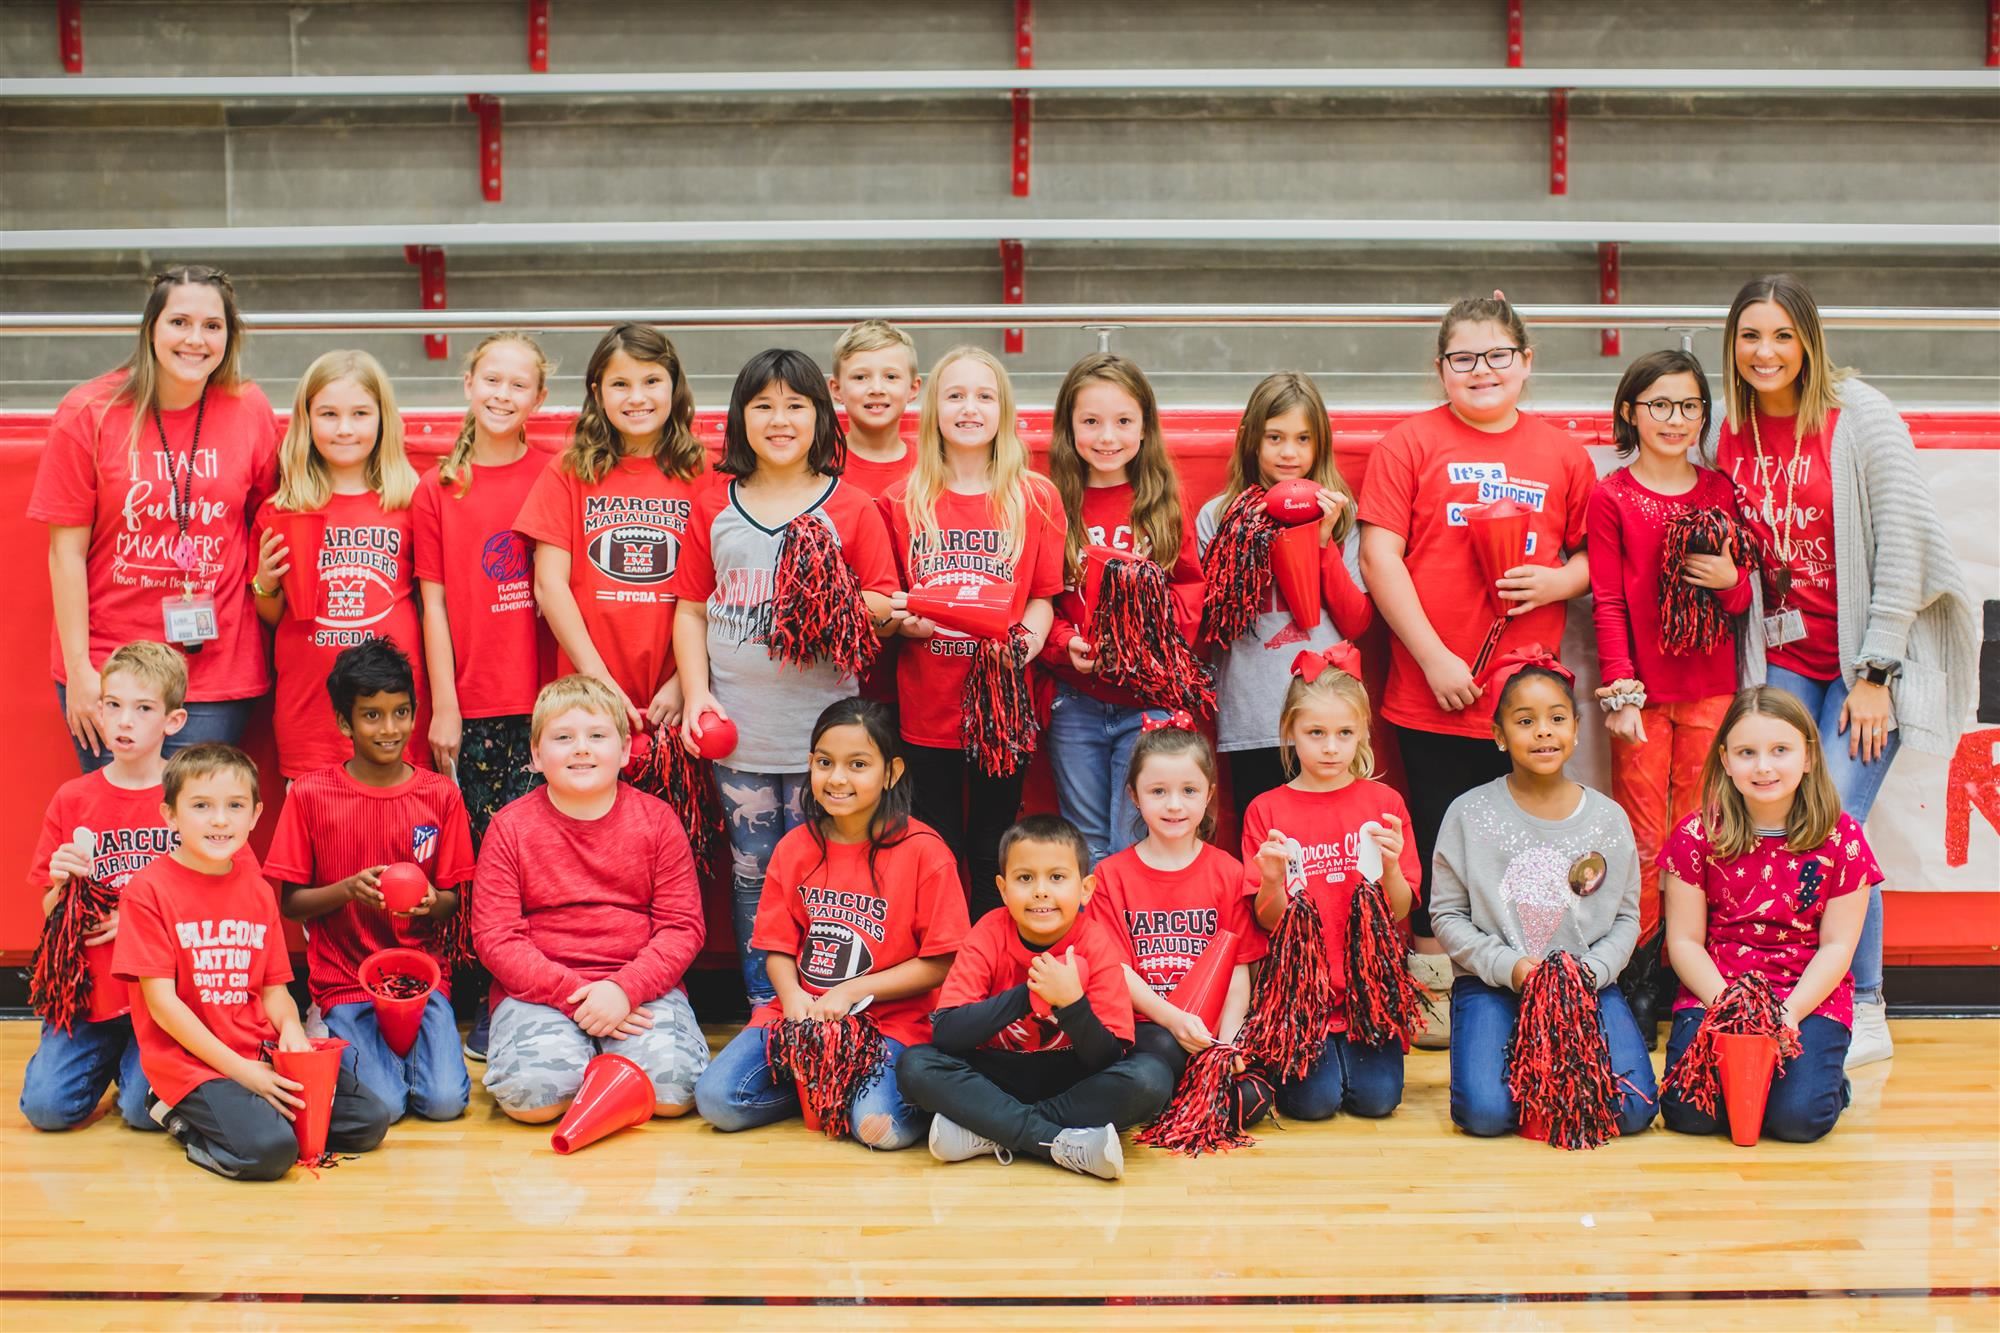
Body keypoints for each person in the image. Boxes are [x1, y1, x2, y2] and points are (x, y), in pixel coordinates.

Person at [1712, 274, 1978, 1068]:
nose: (1766, 352)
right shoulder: (1728, 427)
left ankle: (1865, 1002)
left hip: (1866, 660)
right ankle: (1792, 989)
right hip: (1784, 657)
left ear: (1810, 341)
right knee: (1779, 817)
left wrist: (1876, 672)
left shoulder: (1860, 414)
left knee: (1832, 824)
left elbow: (1903, 547)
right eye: (1751, 335)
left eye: (1783, 336)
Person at [1358, 296, 1597, 1047]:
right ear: (1440, 369)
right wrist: (1433, 656)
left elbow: (1598, 555)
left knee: (1525, 843)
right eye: (1464, 357)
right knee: (1438, 843)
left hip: (1526, 701)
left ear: (1527, 362)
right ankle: (1436, 985)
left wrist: (1559, 582)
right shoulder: (1409, 443)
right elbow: (1378, 555)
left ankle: (1526, 979)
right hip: (1431, 689)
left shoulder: (1562, 454)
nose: (1482, 370)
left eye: (1498, 355)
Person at [671, 349, 899, 1004]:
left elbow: (885, 602)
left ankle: (828, 1003)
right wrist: (695, 695)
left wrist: (831, 602)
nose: (779, 418)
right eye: (762, 404)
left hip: (824, 735)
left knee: (823, 874)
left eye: (795, 405)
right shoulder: (713, 502)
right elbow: (690, 610)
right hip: (737, 729)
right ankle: (763, 1009)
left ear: (822, 417)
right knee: (751, 873)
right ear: (739, 419)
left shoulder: (850, 506)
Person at [30, 266, 281, 771]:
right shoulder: (89, 412)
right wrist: (81, 671)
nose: (196, 339)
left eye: (213, 326)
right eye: (180, 322)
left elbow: (264, 521)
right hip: (114, 672)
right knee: (124, 838)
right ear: (151, 329)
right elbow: (66, 552)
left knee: (199, 835)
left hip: (216, 672)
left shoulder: (249, 408)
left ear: (230, 336)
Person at [693, 698, 969, 1149]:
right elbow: (778, 948)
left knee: (879, 1129)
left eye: (857, 764)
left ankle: (893, 1096)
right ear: (810, 765)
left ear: (892, 772)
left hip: (890, 1023)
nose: (837, 778)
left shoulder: (925, 852)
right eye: (825, 763)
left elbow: (940, 962)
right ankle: (829, 1090)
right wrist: (794, 998)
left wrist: (851, 992)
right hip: (800, 1017)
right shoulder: (795, 848)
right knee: (718, 1101)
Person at [114, 743, 392, 1180]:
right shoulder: (147, 892)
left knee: (369, 1122)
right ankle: (175, 1113)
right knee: (271, 1153)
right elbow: (163, 1007)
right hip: (194, 1064)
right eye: (201, 805)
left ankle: (253, 1111)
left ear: (256, 815)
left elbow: (273, 990)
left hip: (259, 1053)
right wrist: (244, 1074)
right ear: (170, 815)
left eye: (235, 806)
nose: (220, 819)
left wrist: (293, 1033)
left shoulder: (258, 889)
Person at [1588, 349, 1751, 1044]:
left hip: (1712, 688)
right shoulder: (1612, 495)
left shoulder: (1719, 490)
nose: (1675, 419)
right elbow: (1608, 600)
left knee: (1699, 833)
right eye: (1659, 404)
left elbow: (1747, 597)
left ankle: (1691, 968)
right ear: (1631, 411)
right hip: (1643, 695)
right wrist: (1622, 690)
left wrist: (1728, 581)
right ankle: (1640, 972)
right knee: (1645, 838)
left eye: (1689, 406)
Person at [1428, 649, 1657, 1140]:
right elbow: (1447, 915)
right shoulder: (1468, 814)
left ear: (1576, 729)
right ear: (1498, 734)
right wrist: (1508, 967)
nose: (1543, 732)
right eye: (1525, 720)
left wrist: (1588, 974)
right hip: (1494, 985)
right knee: (1486, 1115)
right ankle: (1529, 1066)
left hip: (1587, 986)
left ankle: (1555, 1069)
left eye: (1556, 719)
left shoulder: (1608, 819)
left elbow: (1625, 919)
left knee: (1632, 1111)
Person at [471, 675, 710, 1125]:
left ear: (623, 751)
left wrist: (624, 989)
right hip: (541, 991)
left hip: (640, 990)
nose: (581, 748)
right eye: (564, 738)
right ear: (537, 756)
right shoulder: (509, 827)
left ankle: (597, 1058)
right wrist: (575, 997)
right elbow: (495, 937)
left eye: (597, 736)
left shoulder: (657, 821)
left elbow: (682, 927)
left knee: (674, 1095)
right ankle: (582, 1058)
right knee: (533, 1101)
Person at [882, 348, 1064, 917]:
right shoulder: (901, 500)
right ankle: (944, 971)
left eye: (984, 396)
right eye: (955, 395)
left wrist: (1025, 645)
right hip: (927, 709)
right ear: (932, 407)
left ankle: (992, 967)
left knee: (993, 847)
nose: (969, 408)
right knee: (935, 847)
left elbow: (1042, 598)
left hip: (1001, 708)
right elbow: (885, 606)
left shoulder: (1036, 497)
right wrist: (901, 624)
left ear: (1004, 411)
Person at [263, 640, 474, 1123]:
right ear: (344, 723)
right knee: (385, 1106)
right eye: (372, 716)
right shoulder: (311, 795)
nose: (390, 728)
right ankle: (329, 1027)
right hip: (344, 982)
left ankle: (399, 1056)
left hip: (422, 980)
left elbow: (452, 902)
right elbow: (291, 905)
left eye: (401, 712)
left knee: (443, 1104)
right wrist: (347, 889)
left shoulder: (440, 795)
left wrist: (428, 901)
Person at [898, 815, 1173, 1181]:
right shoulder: (988, 932)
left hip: (1070, 1078)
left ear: (1086, 889)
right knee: (915, 1066)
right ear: (1002, 888)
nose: (1041, 891)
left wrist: (1073, 1005)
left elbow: (1106, 1058)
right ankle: (1055, 1141)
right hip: (995, 1073)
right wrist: (1030, 995)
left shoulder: (1095, 942)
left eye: (1057, 878)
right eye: (1025, 878)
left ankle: (987, 1131)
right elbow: (947, 1034)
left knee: (1151, 1078)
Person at [1659, 686, 1877, 1142]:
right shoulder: (1697, 833)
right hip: (1718, 993)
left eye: (1781, 750)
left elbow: (1838, 946)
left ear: (1809, 757)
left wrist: (1790, 1012)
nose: (1763, 766)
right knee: (1691, 1114)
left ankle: (1829, 1080)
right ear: (1724, 759)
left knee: (1796, 1121)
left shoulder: (1842, 837)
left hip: (1805, 996)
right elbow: (1683, 942)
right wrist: (1731, 1008)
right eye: (1746, 752)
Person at [1240, 648, 1420, 1121]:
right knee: (1312, 1105)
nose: (1330, 747)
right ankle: (1320, 1053)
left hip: (1367, 995)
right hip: (1303, 997)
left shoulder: (1385, 803)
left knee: (1378, 1102)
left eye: (1344, 733)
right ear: (1289, 732)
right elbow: (1267, 919)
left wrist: (1393, 866)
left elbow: (1399, 910)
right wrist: (1273, 881)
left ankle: (1350, 1051)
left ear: (1363, 731)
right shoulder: (1267, 809)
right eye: (1315, 733)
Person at [1042, 353, 1205, 864]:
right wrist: (1066, 645)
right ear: (1068, 428)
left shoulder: (1162, 503)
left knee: (1135, 842)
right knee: (1086, 845)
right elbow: (1037, 600)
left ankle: (1140, 946)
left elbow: (1191, 595)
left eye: (1123, 421)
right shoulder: (1049, 503)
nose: (1107, 436)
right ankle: (1096, 945)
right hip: (1077, 701)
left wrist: (1142, 634)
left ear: (1144, 428)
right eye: (1090, 422)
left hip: (1147, 703)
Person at [20, 642, 188, 1131]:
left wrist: (137, 921)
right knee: (47, 1111)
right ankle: (111, 1056)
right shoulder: (73, 798)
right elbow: (51, 911)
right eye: (113, 705)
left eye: (143, 709)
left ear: (172, 722)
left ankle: (134, 1067)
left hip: (163, 999)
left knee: (143, 1114)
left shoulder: (190, 796)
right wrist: (62, 884)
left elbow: (218, 903)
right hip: (91, 997)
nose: (124, 721)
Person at [517, 324, 706, 739]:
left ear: (674, 387)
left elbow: (721, 592)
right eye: (620, 384)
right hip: (587, 695)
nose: (636, 397)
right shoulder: (569, 470)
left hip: (676, 700)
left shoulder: (705, 473)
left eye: (652, 381)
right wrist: (597, 680)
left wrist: (689, 683)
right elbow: (550, 585)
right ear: (597, 391)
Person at [1197, 372, 1371, 819]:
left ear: (1320, 444)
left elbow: (1356, 623)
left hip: (1328, 718)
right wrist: (1246, 538)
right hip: (1253, 715)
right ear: (1252, 440)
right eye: (1275, 437)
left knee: (1332, 844)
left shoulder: (1342, 513)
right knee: (1268, 848)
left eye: (1302, 439)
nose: (1289, 452)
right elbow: (1216, 624)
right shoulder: (1217, 516)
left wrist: (1322, 544)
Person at [251, 350, 427, 779]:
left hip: (393, 714)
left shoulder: (411, 501)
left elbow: (432, 607)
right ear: (306, 420)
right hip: (310, 713)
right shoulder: (282, 508)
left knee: (394, 840)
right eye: (328, 414)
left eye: (360, 414)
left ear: (382, 419)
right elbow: (274, 618)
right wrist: (265, 583)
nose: (345, 428)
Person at [1088, 718, 1270, 1123]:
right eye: (1158, 792)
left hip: (1211, 1029)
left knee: (1255, 1098)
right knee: (1165, 1052)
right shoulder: (1110, 877)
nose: (1174, 805)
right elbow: (1116, 972)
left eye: (1188, 791)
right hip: (1147, 1026)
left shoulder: (1228, 872)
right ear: (1135, 796)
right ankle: (1172, 1096)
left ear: (1209, 794)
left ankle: (1186, 1096)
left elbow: (1240, 968)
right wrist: (1174, 1020)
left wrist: (1227, 1044)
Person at [413, 331, 554, 836]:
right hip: (473, 706)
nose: (502, 394)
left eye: (519, 385)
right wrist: (446, 706)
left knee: (538, 852)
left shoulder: (555, 474)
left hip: (549, 704)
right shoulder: (439, 487)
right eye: (492, 380)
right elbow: (435, 605)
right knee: (479, 853)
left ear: (539, 398)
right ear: (469, 383)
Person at [827, 319, 922, 497]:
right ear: (837, 389)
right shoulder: (818, 464)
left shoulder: (933, 464)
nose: (877, 389)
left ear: (913, 388)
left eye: (891, 376)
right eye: (861, 377)